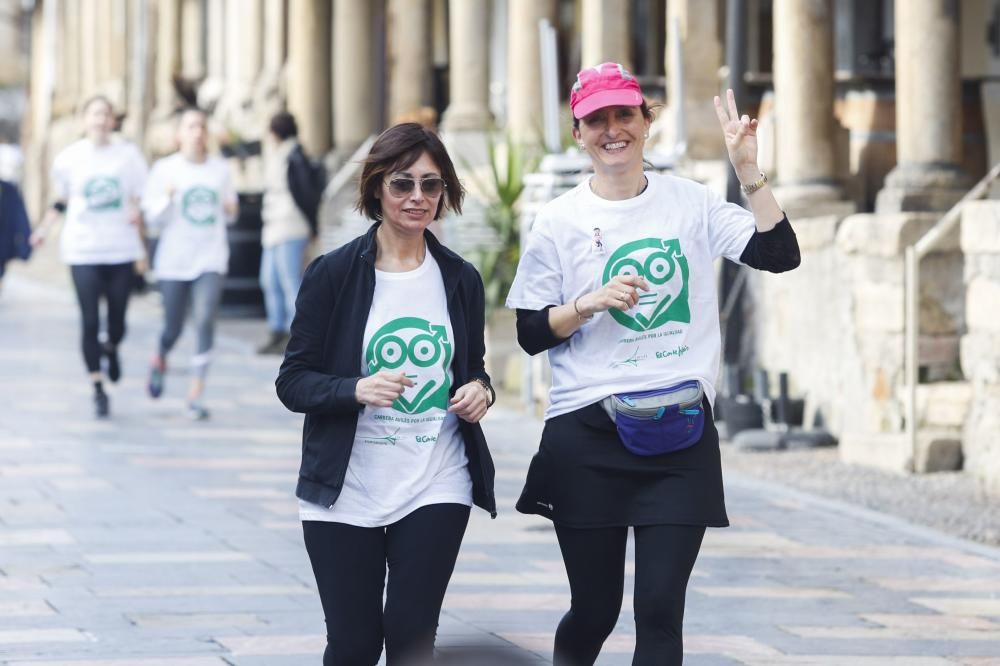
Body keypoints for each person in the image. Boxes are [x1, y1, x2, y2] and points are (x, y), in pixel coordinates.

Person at [505, 62, 800, 665]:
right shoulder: (558, 220)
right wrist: (586, 305)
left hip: (678, 432)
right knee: (595, 609)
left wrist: (748, 169)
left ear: (646, 121)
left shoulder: (690, 202)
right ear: (578, 132)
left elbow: (780, 253)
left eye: (625, 115)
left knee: (661, 611)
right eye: (597, 120)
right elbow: (531, 334)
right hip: (586, 434)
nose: (613, 130)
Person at [275, 122, 497, 666]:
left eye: (431, 184)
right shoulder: (331, 274)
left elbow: (474, 370)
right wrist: (355, 388)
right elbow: (293, 381)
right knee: (352, 646)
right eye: (403, 184)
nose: (418, 197)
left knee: (410, 641)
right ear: (377, 188)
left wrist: (480, 392)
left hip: (435, 479)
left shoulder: (460, 278)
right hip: (345, 488)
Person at [30, 95, 148, 418]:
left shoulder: (128, 156)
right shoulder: (70, 158)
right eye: (94, 115)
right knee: (89, 320)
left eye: (105, 115)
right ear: (84, 121)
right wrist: (43, 229)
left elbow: (140, 195)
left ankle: (112, 346)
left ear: (112, 121)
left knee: (118, 322)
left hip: (120, 249)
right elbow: (62, 200)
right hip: (82, 249)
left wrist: (137, 212)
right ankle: (97, 387)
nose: (99, 121)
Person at [142, 107, 238, 420]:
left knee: (205, 319)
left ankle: (195, 394)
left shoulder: (220, 170)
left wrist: (229, 207)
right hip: (173, 259)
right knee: (172, 326)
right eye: (191, 126)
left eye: (201, 126)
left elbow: (231, 213)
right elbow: (152, 217)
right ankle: (160, 356)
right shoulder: (165, 169)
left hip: (210, 257)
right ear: (178, 134)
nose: (197, 132)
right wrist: (167, 198)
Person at [256, 111, 320, 355]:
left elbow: (305, 194)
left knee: (290, 281)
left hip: (291, 224)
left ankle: (298, 337)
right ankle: (277, 329)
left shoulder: (295, 156)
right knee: (268, 279)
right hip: (273, 225)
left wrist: (312, 226)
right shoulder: (278, 154)